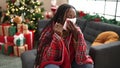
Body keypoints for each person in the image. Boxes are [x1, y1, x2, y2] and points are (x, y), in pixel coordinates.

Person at [34, 4, 94, 68]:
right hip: (55, 62)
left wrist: (77, 36)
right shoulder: (49, 31)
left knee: (88, 65)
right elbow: (49, 57)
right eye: (69, 16)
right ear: (60, 17)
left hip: (70, 60)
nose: (72, 20)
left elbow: (82, 56)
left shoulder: (76, 30)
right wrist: (57, 36)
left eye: (74, 17)